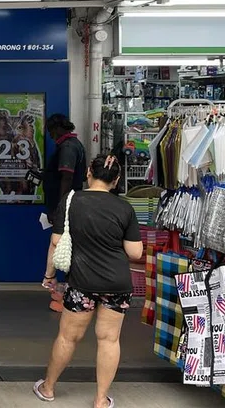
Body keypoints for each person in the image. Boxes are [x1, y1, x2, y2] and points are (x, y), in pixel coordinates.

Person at [34, 155, 143, 408]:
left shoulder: (71, 200)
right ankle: (100, 399)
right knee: (109, 340)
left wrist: (49, 276)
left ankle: (48, 388)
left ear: (88, 174)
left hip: (82, 283)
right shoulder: (124, 208)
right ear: (116, 180)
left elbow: (56, 242)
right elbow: (135, 252)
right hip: (117, 284)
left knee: (67, 337)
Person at [42, 114, 87, 313]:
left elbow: (67, 177)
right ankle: (66, 292)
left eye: (51, 131)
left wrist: (60, 207)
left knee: (60, 245)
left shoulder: (68, 147)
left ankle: (66, 293)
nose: (50, 135)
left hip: (66, 206)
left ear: (58, 128)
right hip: (68, 204)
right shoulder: (72, 145)